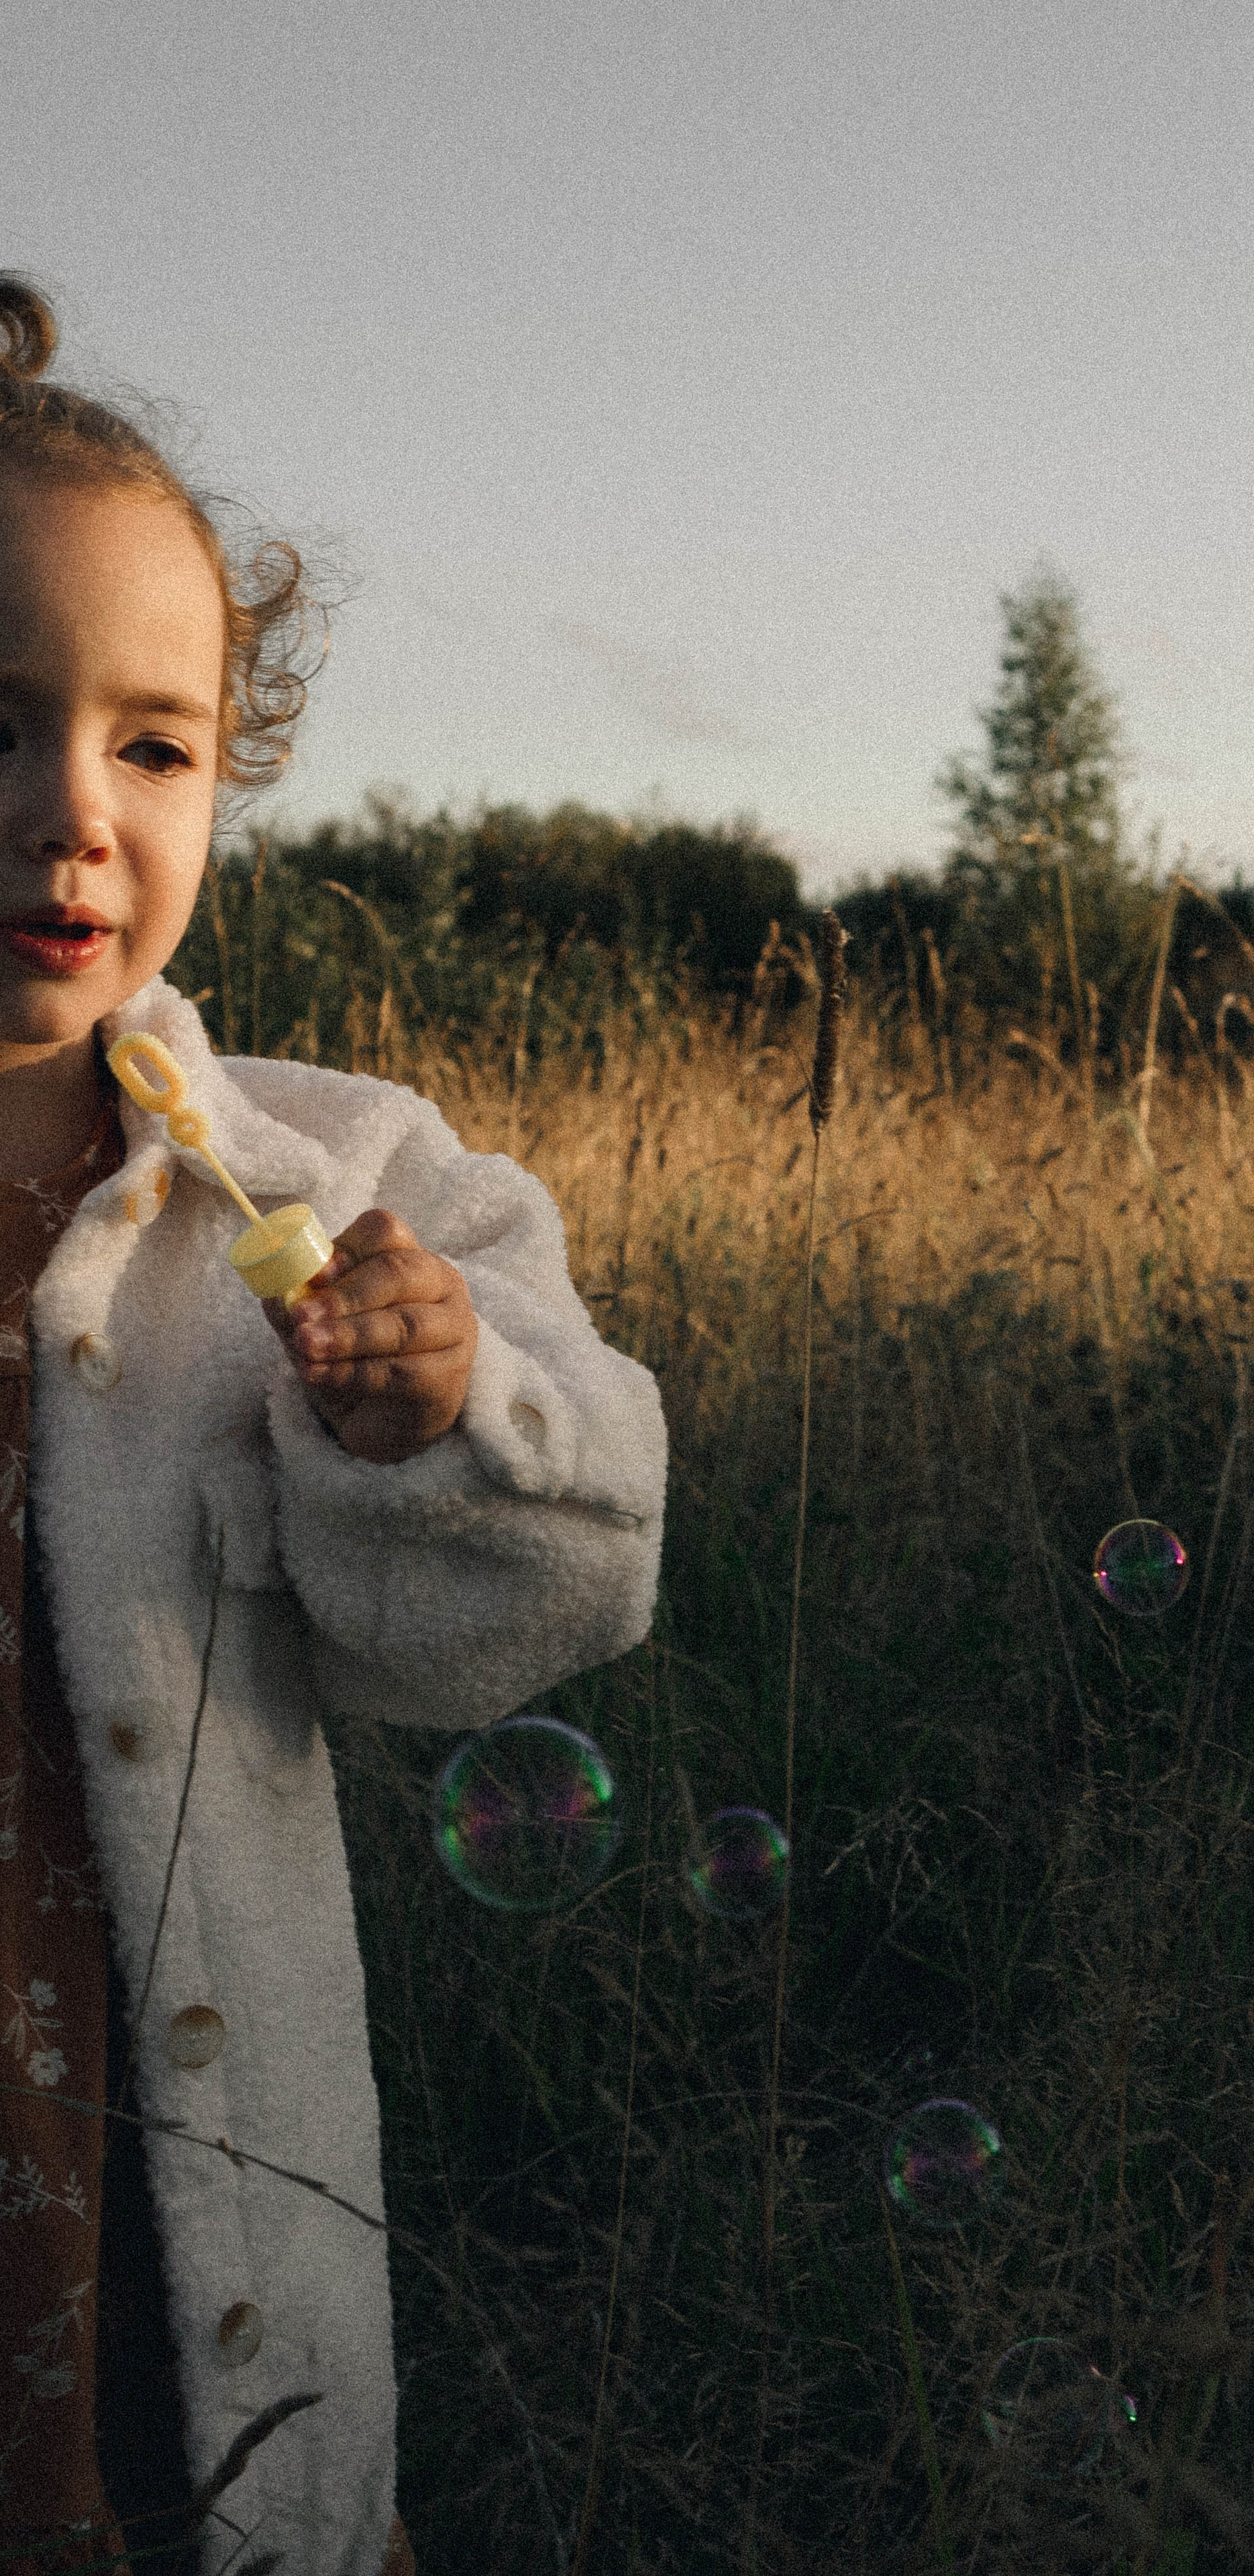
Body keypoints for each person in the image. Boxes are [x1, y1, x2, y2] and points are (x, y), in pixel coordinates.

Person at [0, 276, 668, 2572]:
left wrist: (446, 1414)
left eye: (152, 745)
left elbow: (561, 1582)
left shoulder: (313, 1178)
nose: (66, 815)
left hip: (156, 2165)